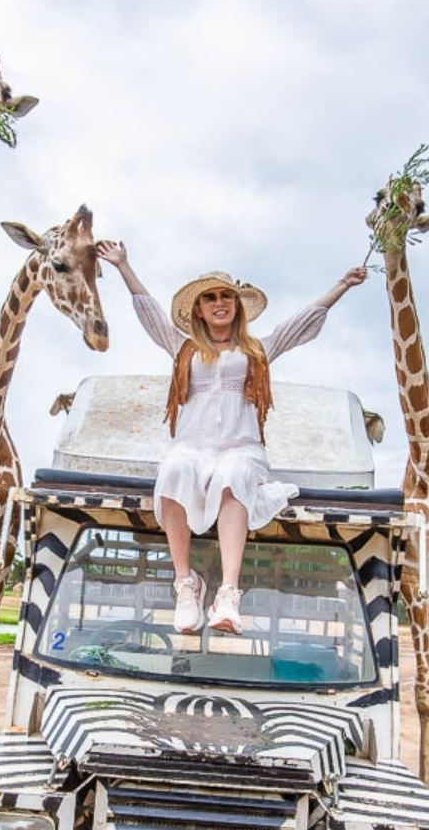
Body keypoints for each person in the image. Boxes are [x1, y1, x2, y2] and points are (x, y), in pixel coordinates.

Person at [97, 240, 366, 635]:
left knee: (234, 476)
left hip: (241, 447)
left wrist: (342, 284)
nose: (220, 303)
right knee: (173, 469)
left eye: (226, 296)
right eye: (211, 298)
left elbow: (302, 322)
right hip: (192, 445)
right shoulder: (183, 347)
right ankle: (185, 585)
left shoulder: (257, 349)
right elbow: (150, 312)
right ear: (199, 310)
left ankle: (228, 592)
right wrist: (123, 266)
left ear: (237, 305)